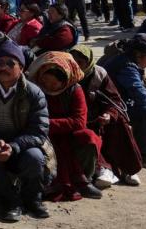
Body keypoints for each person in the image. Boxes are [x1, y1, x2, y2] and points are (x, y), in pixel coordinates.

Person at [0, 41, 50, 222]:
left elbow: (39, 131)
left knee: (35, 157)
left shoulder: (34, 93)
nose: (3, 68)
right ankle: (11, 200)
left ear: (21, 67)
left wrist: (13, 146)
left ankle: (33, 200)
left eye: (9, 63)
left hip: (21, 144)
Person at [27, 51, 102, 201]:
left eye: (54, 84)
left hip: (65, 133)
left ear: (65, 81)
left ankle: (83, 178)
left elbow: (79, 121)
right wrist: (42, 125)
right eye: (46, 81)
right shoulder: (34, 88)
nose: (49, 86)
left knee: (88, 137)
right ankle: (55, 183)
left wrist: (47, 123)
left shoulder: (75, 90)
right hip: (41, 133)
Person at [70, 45, 143, 187]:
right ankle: (103, 169)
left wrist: (109, 114)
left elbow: (114, 99)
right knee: (87, 134)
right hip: (78, 118)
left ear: (89, 62)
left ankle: (128, 169)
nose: (77, 65)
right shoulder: (66, 74)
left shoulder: (99, 74)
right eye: (74, 60)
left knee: (120, 123)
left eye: (81, 61)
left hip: (100, 116)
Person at [100, 34, 146, 170]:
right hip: (109, 105)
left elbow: (139, 84)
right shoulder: (127, 65)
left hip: (114, 99)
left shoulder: (124, 57)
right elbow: (140, 95)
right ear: (140, 55)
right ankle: (145, 155)